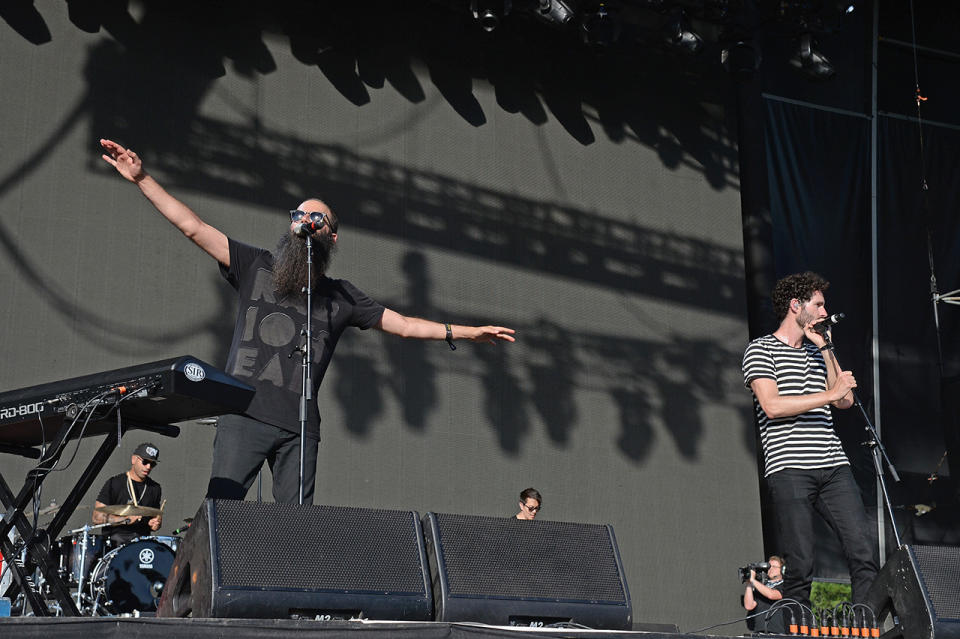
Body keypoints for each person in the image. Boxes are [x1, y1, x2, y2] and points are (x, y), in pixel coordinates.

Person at [100, 139, 516, 505]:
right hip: (242, 416)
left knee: (296, 531)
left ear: (331, 237)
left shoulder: (341, 296)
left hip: (299, 427)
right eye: (299, 216)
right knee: (221, 516)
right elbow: (192, 227)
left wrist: (465, 332)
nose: (305, 222)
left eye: (316, 219)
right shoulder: (256, 266)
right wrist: (143, 178)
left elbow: (404, 325)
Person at [742, 271, 878, 612]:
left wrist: (826, 347)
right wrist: (828, 394)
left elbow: (844, 401)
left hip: (833, 465)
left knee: (862, 552)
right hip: (790, 467)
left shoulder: (820, 352)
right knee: (801, 563)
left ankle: (865, 628)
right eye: (818, 305)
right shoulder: (760, 349)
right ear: (795, 306)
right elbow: (772, 406)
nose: (823, 312)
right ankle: (794, 632)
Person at [92, 442, 162, 546]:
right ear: (134, 459)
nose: (148, 467)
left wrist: (155, 524)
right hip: (115, 544)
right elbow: (96, 517)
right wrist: (124, 519)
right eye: (145, 462)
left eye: (152, 464)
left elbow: (155, 519)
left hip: (142, 544)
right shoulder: (115, 483)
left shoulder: (155, 488)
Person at [743, 555, 785, 634]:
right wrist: (749, 583)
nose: (770, 569)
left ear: (782, 570)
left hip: (777, 632)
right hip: (760, 632)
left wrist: (753, 580)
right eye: (769, 566)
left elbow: (772, 595)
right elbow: (749, 605)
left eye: (774, 566)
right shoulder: (761, 586)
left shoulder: (785, 585)